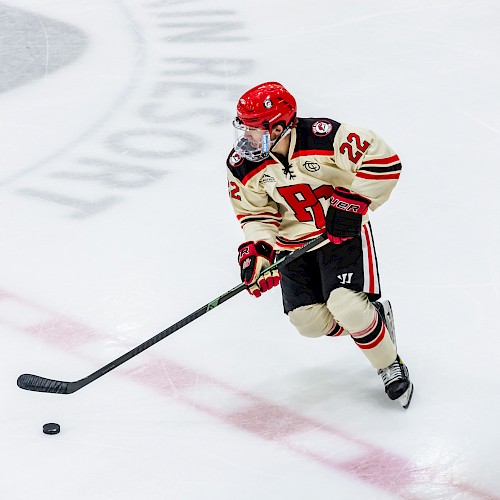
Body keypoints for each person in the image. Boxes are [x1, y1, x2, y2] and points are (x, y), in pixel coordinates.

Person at [226, 81, 413, 409]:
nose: (246, 138)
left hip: (339, 236)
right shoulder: (243, 163)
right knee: (309, 323)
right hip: (290, 247)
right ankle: (374, 322)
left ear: (281, 126)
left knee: (348, 306)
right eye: (243, 128)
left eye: (255, 130)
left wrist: (352, 204)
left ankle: (388, 363)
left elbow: (383, 161)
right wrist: (259, 252)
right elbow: (255, 213)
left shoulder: (325, 137)